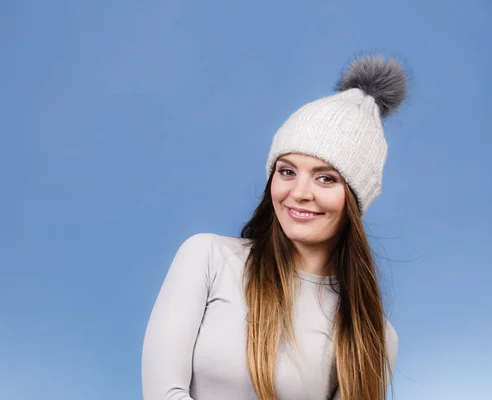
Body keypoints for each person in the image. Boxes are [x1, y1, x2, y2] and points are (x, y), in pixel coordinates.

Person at [141, 54, 408, 400]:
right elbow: (163, 392)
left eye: (325, 178)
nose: (299, 193)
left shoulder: (371, 335)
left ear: (354, 201)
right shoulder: (207, 257)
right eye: (287, 171)